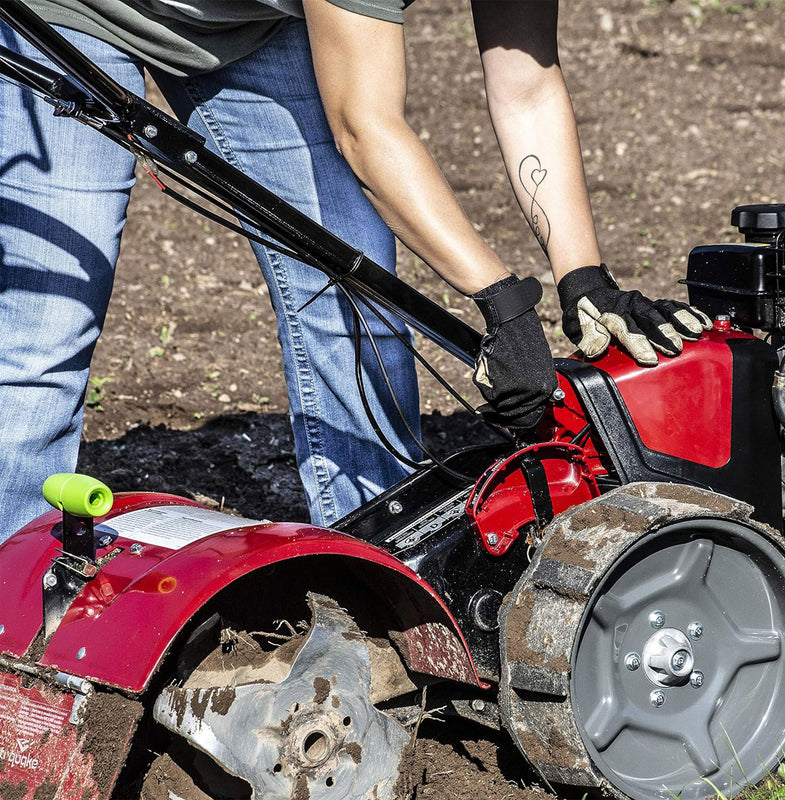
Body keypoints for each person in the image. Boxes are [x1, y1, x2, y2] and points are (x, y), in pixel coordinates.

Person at [0, 0, 709, 542]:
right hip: (78, 16)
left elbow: (526, 88)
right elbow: (364, 128)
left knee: (356, 290)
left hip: (248, 22)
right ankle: (11, 605)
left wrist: (583, 277)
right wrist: (504, 302)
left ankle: (384, 567)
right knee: (46, 327)